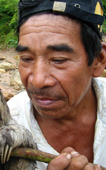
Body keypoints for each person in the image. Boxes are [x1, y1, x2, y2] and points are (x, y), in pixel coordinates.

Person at [7, 0, 106, 169]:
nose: (37, 81)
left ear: (98, 61)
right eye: (26, 59)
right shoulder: (6, 125)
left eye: (58, 60)